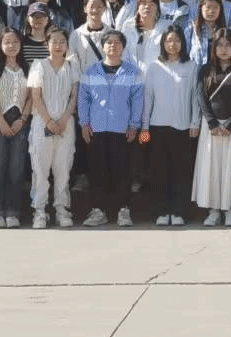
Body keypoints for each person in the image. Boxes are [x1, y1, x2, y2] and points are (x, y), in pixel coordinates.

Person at [78, 30, 144, 228]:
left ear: (123, 47)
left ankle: (124, 210)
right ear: (103, 46)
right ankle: (98, 211)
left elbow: (137, 100)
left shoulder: (133, 72)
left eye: (117, 43)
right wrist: (84, 123)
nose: (113, 46)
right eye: (109, 43)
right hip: (96, 129)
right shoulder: (91, 71)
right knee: (98, 172)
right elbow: (83, 99)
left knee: (122, 171)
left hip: (122, 130)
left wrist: (134, 124)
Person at [143, 24, 202, 226]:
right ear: (163, 43)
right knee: (159, 171)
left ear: (183, 43)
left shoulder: (191, 66)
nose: (173, 44)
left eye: (177, 40)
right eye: (169, 40)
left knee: (181, 172)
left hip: (183, 127)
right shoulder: (154, 67)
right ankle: (162, 211)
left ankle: (179, 212)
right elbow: (148, 98)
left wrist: (195, 122)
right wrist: (144, 126)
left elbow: (195, 97)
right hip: (157, 126)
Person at [193, 28, 231, 227]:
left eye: (228, 45)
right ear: (214, 47)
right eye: (220, 45)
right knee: (211, 167)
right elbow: (201, 97)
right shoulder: (205, 70)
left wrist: (230, 124)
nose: (224, 49)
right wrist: (212, 123)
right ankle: (213, 211)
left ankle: (230, 209)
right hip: (210, 127)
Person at [28, 28, 79, 229]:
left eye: (62, 42)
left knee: (63, 168)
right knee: (40, 169)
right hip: (42, 122)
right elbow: (35, 96)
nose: (58, 46)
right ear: (46, 44)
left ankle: (61, 209)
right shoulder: (38, 65)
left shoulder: (72, 65)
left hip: (66, 123)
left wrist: (64, 119)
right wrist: (49, 121)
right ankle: (39, 210)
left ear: (67, 45)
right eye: (54, 42)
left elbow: (74, 96)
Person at [0, 28, 31, 229]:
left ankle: (13, 212)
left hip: (20, 120)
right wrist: (1, 121)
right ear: (1, 45)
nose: (11, 46)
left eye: (15, 42)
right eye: (7, 42)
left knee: (16, 167)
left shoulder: (28, 68)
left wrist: (23, 119)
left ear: (21, 45)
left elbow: (32, 97)